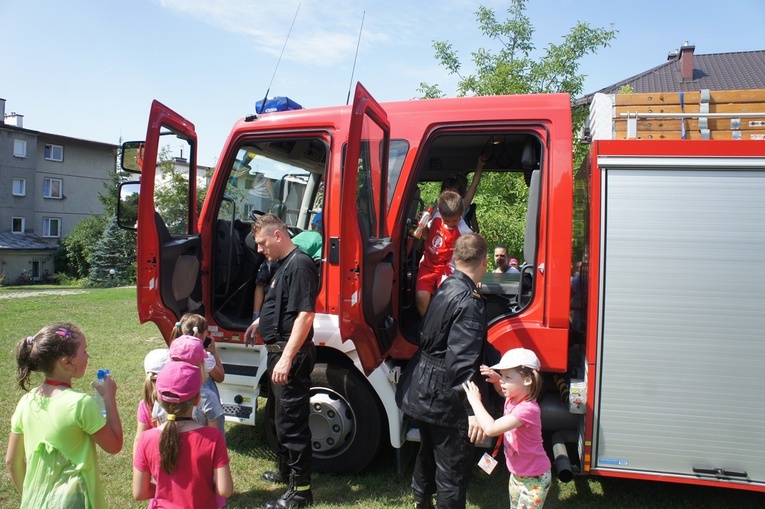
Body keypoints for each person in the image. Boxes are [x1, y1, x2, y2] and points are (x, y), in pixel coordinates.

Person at [399, 233, 490, 509]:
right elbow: (461, 363)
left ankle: (421, 502)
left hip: (423, 386)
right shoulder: (469, 300)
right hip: (446, 395)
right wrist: (473, 410)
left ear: (455, 258)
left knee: (427, 453)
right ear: (484, 262)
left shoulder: (446, 285)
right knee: (452, 469)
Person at [244, 213, 319, 509]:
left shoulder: (299, 264)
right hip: (277, 351)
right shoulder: (282, 265)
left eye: (263, 243)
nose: (260, 249)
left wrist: (287, 358)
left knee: (293, 424)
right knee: (279, 418)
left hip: (290, 355)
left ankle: (301, 492)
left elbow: (305, 314)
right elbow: (283, 306)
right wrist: (260, 321)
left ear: (278, 236)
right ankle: (286, 471)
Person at [6, 322, 123, 508]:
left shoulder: (25, 402)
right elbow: (115, 444)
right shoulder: (80, 404)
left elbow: (12, 461)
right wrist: (109, 398)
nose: (88, 356)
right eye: (84, 351)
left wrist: (30, 498)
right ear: (67, 362)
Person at [133, 360, 233, 508]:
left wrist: (166, 491)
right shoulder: (213, 438)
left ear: (158, 398)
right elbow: (225, 490)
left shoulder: (146, 439)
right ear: (198, 399)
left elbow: (139, 492)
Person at [463, 348, 551, 509]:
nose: (503, 381)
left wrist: (474, 401)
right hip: (517, 475)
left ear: (527, 380)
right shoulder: (514, 398)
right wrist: (498, 381)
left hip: (534, 479)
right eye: (502, 375)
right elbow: (502, 393)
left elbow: (490, 428)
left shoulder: (528, 409)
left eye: (508, 377)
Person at [415, 190, 473, 316]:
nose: (451, 224)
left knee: (444, 300)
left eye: (455, 221)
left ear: (461, 213)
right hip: (428, 266)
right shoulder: (435, 218)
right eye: (447, 221)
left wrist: (472, 274)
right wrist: (423, 225)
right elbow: (426, 236)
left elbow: (472, 254)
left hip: (447, 269)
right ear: (439, 213)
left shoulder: (464, 231)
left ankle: (440, 328)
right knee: (421, 296)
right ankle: (425, 326)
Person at [134, 348, 170, 453]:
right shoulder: (178, 401)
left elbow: (138, 439)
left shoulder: (145, 404)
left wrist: (136, 467)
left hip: (152, 459)